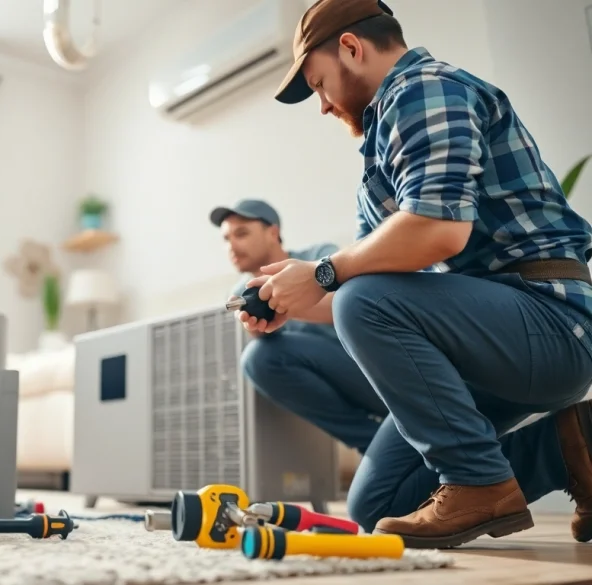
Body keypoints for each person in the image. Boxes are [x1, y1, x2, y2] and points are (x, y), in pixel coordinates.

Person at [237, 0, 592, 548]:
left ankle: (479, 482)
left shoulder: (425, 88)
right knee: (377, 506)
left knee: (364, 299)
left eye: (319, 84)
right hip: (486, 339)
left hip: (550, 320)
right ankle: (570, 445)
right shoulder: (379, 154)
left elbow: (436, 232)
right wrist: (287, 301)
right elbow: (358, 291)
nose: (324, 106)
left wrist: (325, 271)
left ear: (351, 49)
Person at [211, 199, 387, 456]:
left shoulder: (318, 257)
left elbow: (345, 308)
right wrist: (255, 323)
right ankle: (374, 445)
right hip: (328, 384)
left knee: (260, 356)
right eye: (226, 239)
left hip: (370, 369)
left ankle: (388, 444)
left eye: (242, 233)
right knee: (258, 358)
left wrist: (285, 300)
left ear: (272, 233)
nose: (232, 246)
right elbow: (262, 339)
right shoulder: (241, 292)